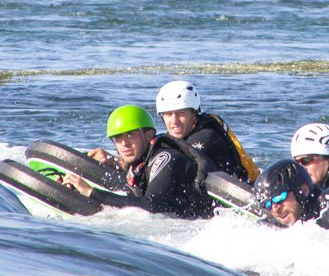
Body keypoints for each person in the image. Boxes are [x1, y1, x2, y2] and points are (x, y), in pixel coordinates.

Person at [64, 105, 214, 219]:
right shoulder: (136, 164)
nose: (124, 143)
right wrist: (76, 188)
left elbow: (150, 205)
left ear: (149, 135)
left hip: (201, 224)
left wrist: (91, 192)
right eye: (118, 138)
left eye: (131, 135)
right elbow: (125, 194)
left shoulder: (167, 158)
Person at [155, 80, 259, 184]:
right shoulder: (178, 136)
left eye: (181, 113)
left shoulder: (206, 136)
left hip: (247, 190)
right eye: (168, 114)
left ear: (194, 114)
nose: (174, 121)